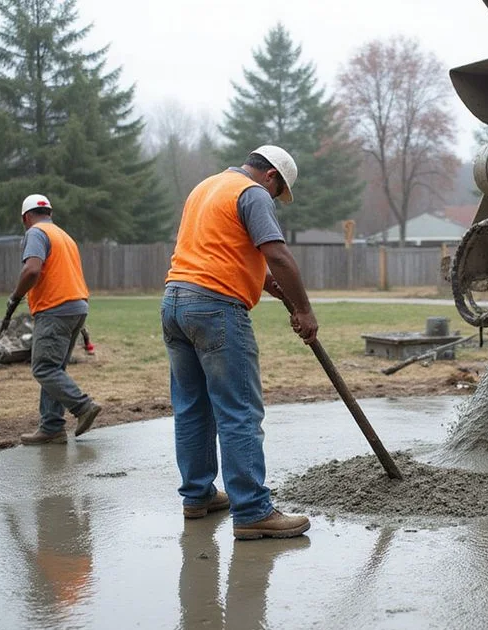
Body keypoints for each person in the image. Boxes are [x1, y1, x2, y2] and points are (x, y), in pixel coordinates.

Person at [162, 145, 317, 540]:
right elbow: (276, 254)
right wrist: (303, 309)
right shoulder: (253, 194)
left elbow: (227, 253)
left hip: (175, 302)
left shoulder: (207, 188)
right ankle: (252, 510)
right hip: (216, 309)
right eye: (278, 191)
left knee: (192, 407)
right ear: (271, 177)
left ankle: (198, 496)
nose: (274, 199)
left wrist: (280, 292)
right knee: (239, 410)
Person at [11, 194, 102, 445]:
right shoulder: (64, 236)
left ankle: (83, 407)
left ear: (26, 218)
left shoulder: (36, 233)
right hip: (77, 307)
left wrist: (16, 296)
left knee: (44, 368)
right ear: (49, 212)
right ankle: (51, 427)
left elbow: (31, 269)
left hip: (55, 308)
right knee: (54, 369)